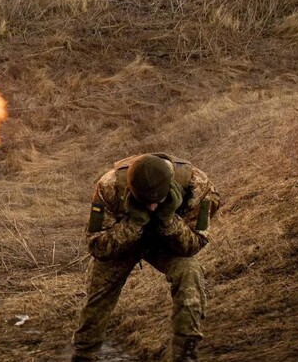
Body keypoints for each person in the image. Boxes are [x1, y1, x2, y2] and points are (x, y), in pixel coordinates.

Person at [71, 153, 220, 362]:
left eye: (158, 200)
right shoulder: (110, 186)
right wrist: (133, 224)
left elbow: (193, 246)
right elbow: (97, 247)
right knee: (99, 288)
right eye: (144, 201)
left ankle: (184, 353)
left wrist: (169, 220)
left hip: (167, 243)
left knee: (190, 272)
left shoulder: (197, 185)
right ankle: (83, 353)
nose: (151, 207)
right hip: (124, 241)